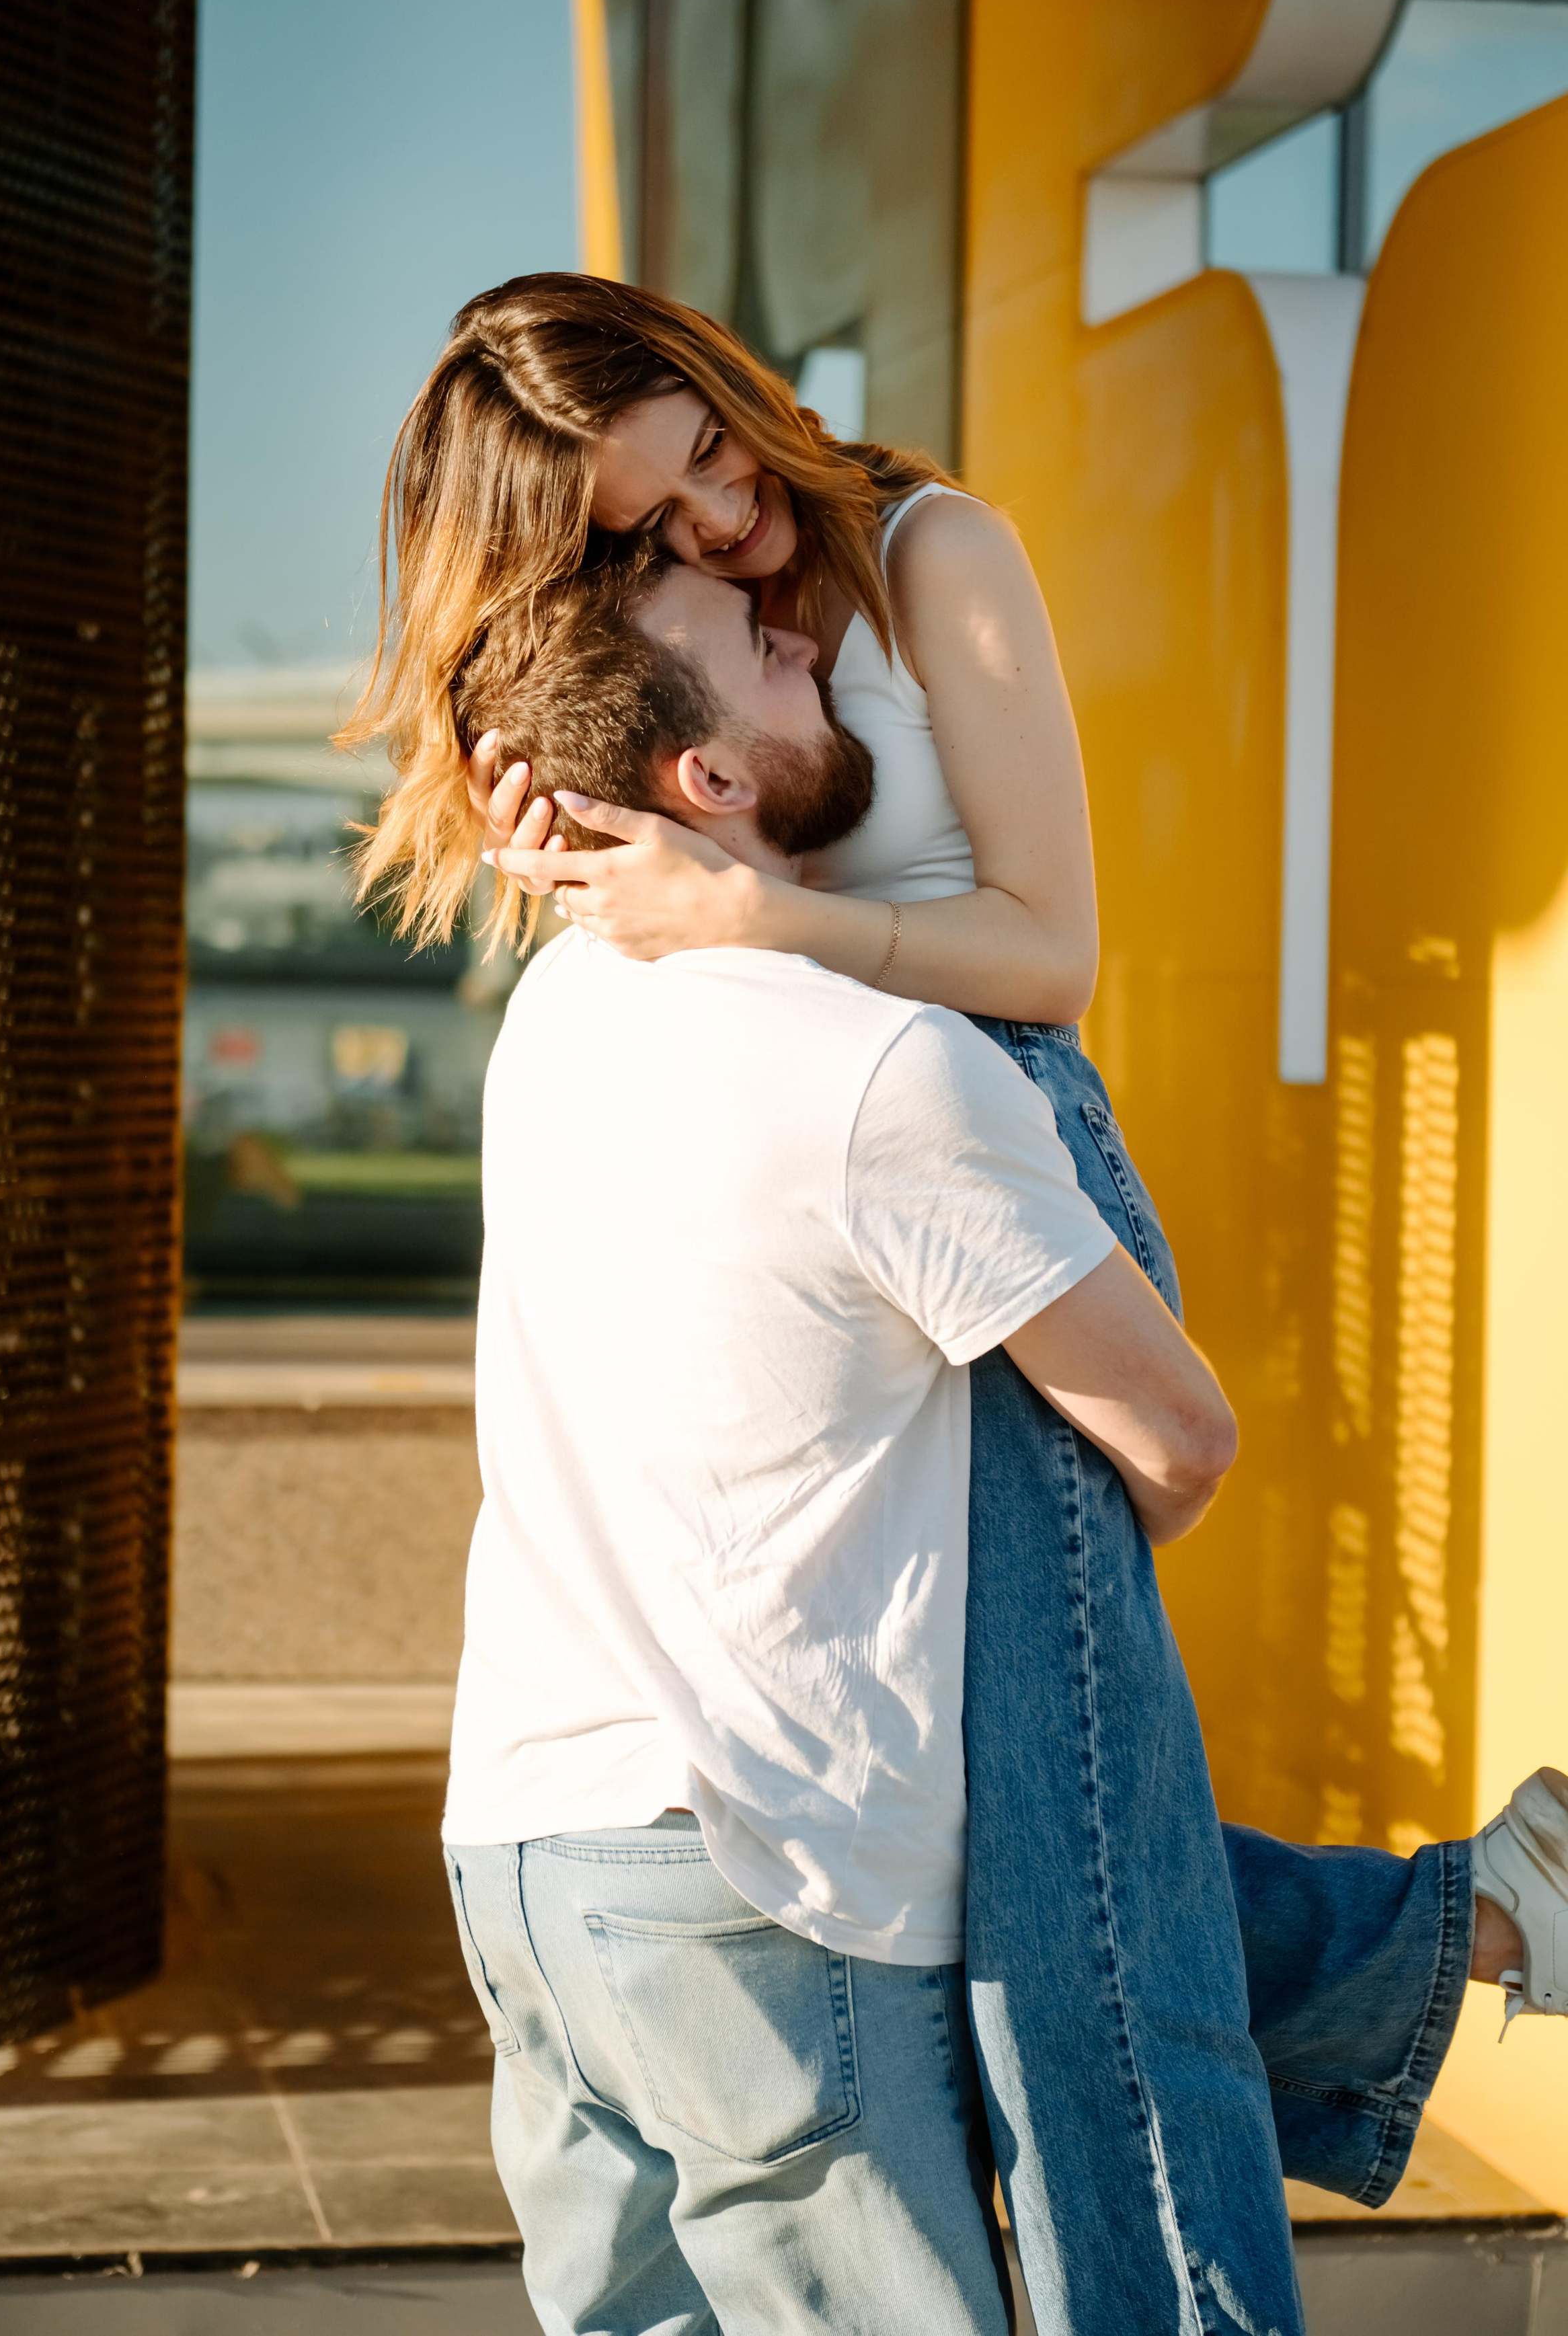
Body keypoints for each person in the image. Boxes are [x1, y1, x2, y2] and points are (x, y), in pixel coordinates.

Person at [351, 277, 1568, 2335]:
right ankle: (1485, 1911)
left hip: (994, 1162)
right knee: (1054, 1877)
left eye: (718, 453)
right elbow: (609, 802)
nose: (729, 526)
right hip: (852, 1216)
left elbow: (1054, 949)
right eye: (658, 521)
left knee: (1074, 1926)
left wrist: (767, 913)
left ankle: (1452, 1952)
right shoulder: (666, 685)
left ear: (736, 386)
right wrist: (548, 794)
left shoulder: (927, 556)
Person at [444, 539, 1254, 2333]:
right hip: (753, 1874)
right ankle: (1483, 1926)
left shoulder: (554, 1014)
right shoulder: (886, 1069)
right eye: (762, 644)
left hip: (524, 1864)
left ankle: (1477, 1923)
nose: (806, 632)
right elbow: (1181, 1435)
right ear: (708, 780)